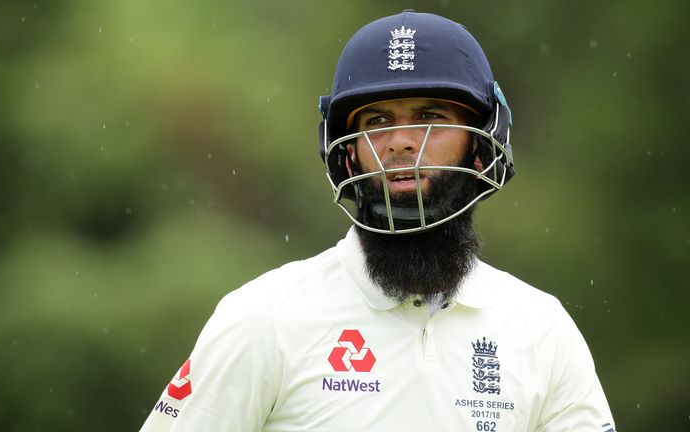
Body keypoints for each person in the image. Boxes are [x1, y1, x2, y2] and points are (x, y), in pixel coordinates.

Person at [140, 10, 616, 431]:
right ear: (346, 154)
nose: (402, 142)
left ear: (482, 144)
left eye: (430, 114)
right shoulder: (264, 316)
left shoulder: (540, 329)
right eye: (378, 121)